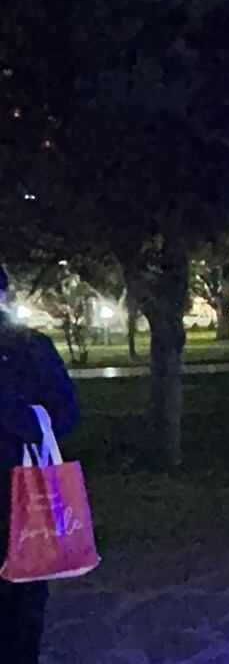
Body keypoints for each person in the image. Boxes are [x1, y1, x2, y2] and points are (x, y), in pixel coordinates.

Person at [0, 263, 80, 664]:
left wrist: (19, 414)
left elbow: (65, 414)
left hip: (23, 507)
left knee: (22, 618)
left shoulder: (31, 350)